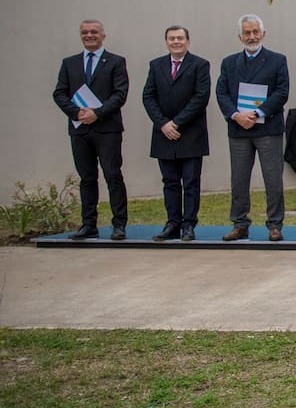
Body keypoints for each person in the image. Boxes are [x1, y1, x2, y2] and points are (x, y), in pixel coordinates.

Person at [214, 13, 290, 242]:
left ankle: (275, 225)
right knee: (238, 179)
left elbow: (282, 91)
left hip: (268, 128)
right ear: (240, 36)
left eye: (255, 32)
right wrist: (236, 115)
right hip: (239, 129)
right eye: (247, 33)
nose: (252, 36)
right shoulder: (229, 63)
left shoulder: (278, 60)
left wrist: (257, 113)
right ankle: (240, 224)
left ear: (263, 34)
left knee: (273, 178)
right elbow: (222, 93)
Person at [52, 19, 129, 240]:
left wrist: (97, 113)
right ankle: (88, 224)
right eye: (85, 32)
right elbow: (59, 93)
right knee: (86, 177)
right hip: (79, 130)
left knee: (112, 175)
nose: (89, 35)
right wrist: (76, 113)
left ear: (103, 35)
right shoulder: (70, 63)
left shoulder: (116, 62)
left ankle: (119, 224)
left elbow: (120, 94)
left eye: (94, 32)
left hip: (107, 129)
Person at [141, 25, 210, 242]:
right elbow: (148, 96)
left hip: (190, 134)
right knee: (169, 182)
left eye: (180, 38)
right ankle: (172, 223)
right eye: (172, 39)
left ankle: (189, 225)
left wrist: (177, 123)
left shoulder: (200, 65)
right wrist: (163, 124)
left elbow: (201, 97)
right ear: (166, 42)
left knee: (190, 182)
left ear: (188, 41)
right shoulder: (156, 65)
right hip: (164, 134)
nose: (176, 42)